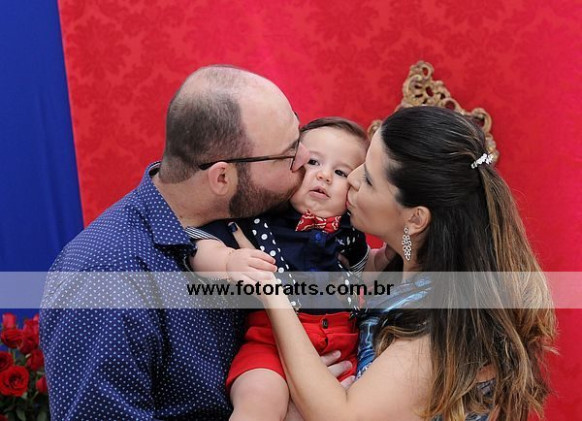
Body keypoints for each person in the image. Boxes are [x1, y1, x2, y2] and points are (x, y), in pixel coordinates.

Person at [39, 65, 352, 420]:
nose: (305, 159)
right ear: (222, 178)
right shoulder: (106, 275)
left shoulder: (257, 215)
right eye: (288, 154)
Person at [238, 106, 556, 421]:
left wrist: (274, 295)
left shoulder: (444, 320)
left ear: (415, 219)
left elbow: (342, 416)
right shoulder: (395, 273)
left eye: (368, 178)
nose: (352, 179)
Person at [191, 117, 393, 421]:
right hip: (270, 345)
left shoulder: (349, 231)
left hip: (339, 349)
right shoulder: (260, 218)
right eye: (313, 162)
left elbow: (364, 270)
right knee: (260, 400)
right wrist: (227, 260)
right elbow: (196, 241)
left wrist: (389, 254)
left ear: (355, 189)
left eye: (341, 172)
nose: (324, 176)